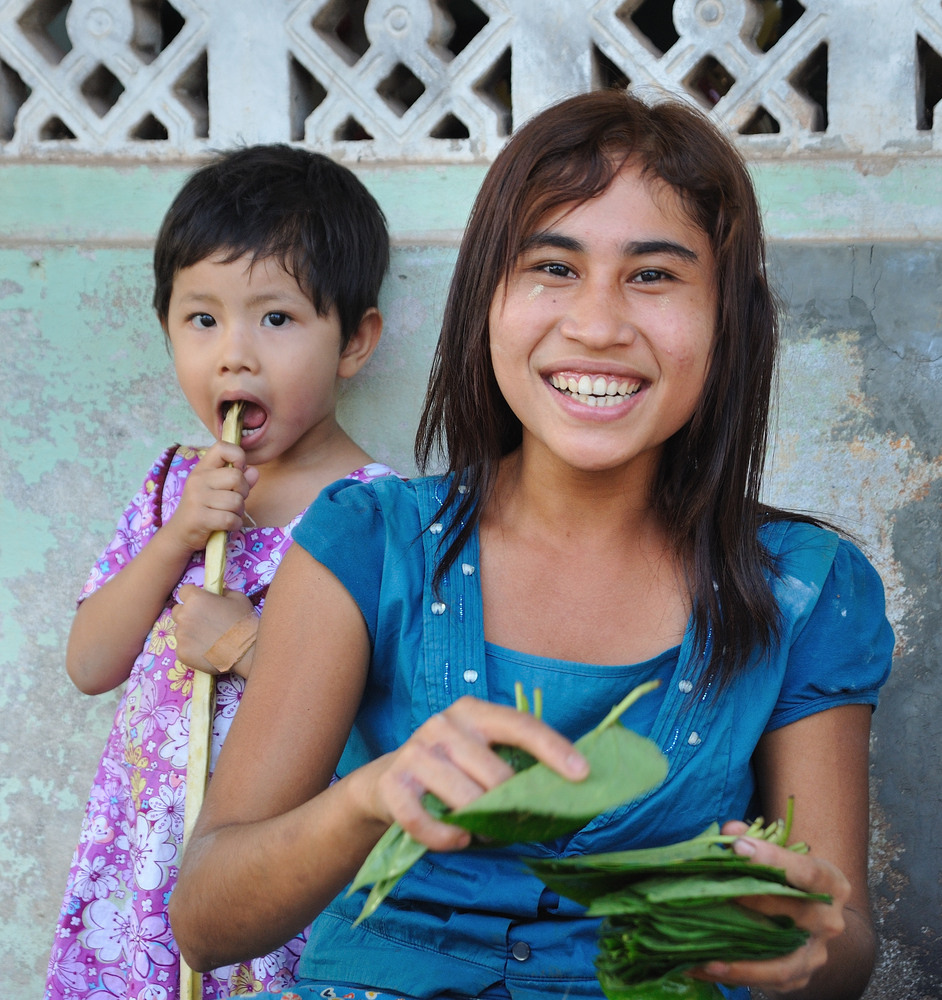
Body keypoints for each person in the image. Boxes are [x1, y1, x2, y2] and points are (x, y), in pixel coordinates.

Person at [169, 90, 894, 1000]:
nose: (596, 323)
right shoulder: (370, 540)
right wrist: (369, 798)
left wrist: (805, 946)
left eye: (655, 275)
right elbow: (206, 917)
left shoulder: (807, 589)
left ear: (728, 321)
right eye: (553, 266)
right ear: (488, 297)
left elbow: (847, 944)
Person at [44, 144, 400, 1000]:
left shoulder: (382, 515)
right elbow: (90, 665)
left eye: (276, 319)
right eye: (202, 320)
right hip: (145, 854)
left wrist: (244, 645)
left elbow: (385, 726)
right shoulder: (171, 484)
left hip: (274, 868)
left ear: (354, 340)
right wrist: (174, 540)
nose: (235, 356)